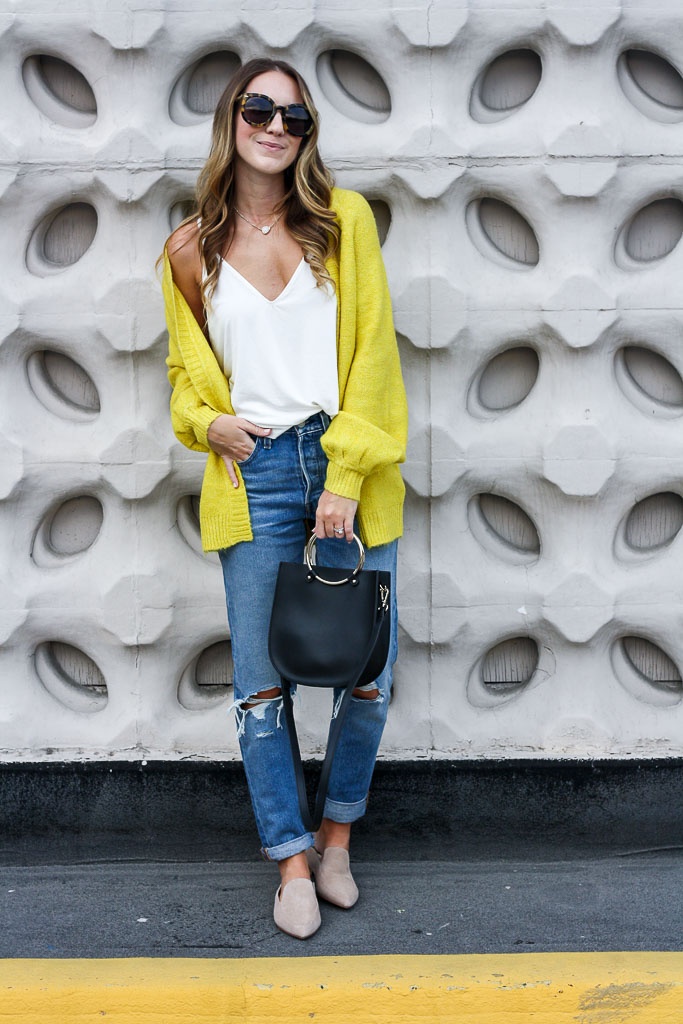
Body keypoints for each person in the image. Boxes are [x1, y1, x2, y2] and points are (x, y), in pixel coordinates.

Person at [158, 56, 408, 939]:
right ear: (230, 120)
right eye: (258, 109)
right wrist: (208, 424)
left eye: (293, 116)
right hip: (253, 473)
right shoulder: (187, 249)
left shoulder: (343, 222)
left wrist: (344, 477)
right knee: (261, 689)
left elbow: (374, 357)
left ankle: (337, 840)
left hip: (342, 462)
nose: (274, 127)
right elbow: (184, 378)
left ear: (307, 134)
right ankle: (290, 861)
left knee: (365, 677)